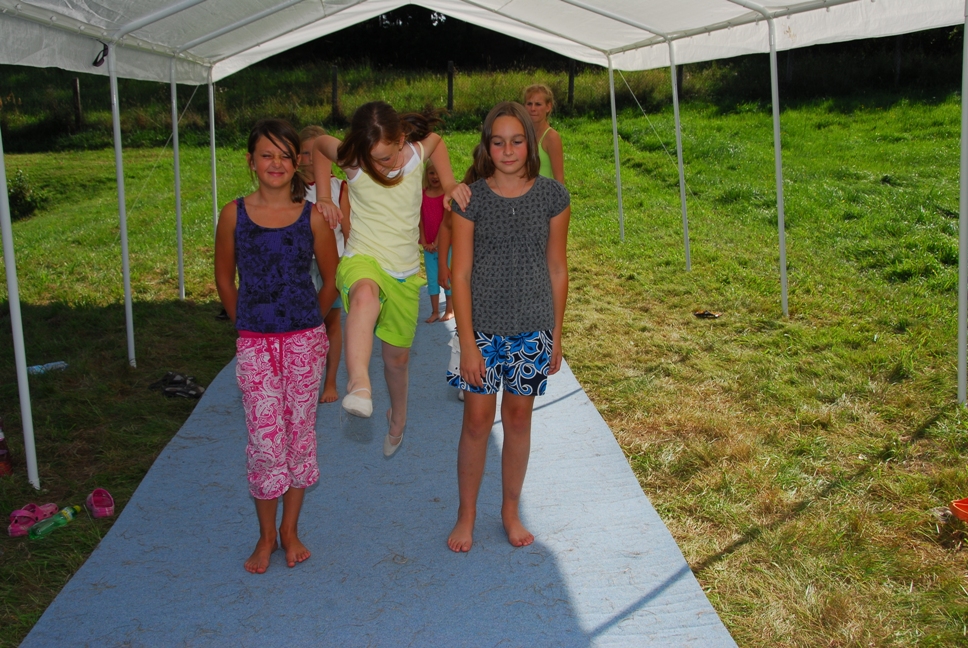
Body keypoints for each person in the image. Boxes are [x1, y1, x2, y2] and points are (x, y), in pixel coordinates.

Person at [215, 119, 339, 574]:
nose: (276, 163)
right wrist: (245, 324)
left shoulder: (312, 217)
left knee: (299, 437)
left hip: (305, 341)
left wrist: (310, 321)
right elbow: (224, 279)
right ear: (251, 161)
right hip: (255, 344)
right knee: (266, 443)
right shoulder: (233, 215)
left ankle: (290, 530)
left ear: (297, 163)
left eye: (286, 155)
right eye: (266, 155)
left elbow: (332, 280)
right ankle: (265, 535)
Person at [312, 101, 470, 457]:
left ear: (401, 140)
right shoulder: (354, 160)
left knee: (396, 360)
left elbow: (436, 141)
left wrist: (448, 183)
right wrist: (324, 195)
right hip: (363, 257)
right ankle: (359, 385)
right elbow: (319, 145)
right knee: (364, 297)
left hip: (403, 273)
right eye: (373, 159)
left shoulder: (415, 154)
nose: (379, 166)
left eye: (385, 158)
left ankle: (398, 416)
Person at [446, 102, 570, 552]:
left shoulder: (554, 197)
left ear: (531, 143)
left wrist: (555, 335)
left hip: (533, 327)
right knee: (477, 421)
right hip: (481, 330)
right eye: (498, 142)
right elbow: (460, 274)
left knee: (518, 418)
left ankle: (510, 511)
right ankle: (466, 514)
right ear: (487, 147)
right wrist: (467, 342)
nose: (508, 150)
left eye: (517, 140)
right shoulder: (469, 200)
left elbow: (557, 267)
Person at [299, 125, 351, 404]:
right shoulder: (291, 188)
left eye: (316, 153)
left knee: (331, 323)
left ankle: (330, 381)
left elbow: (348, 228)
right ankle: (303, 375)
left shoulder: (339, 186)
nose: (310, 159)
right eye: (305, 153)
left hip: (334, 262)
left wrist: (349, 261)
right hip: (302, 265)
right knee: (304, 324)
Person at [419, 160, 454, 323]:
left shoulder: (446, 196)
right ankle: (434, 311)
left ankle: (449, 309)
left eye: (438, 173)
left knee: (447, 276)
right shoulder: (422, 195)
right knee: (432, 278)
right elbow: (420, 220)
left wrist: (437, 242)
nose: (435, 176)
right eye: (431, 173)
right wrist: (425, 241)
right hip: (429, 247)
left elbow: (445, 223)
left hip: (446, 245)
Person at [523, 84, 565, 184]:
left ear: (548, 107)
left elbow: (559, 180)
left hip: (544, 193)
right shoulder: (520, 134)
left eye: (538, 104)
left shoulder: (551, 137)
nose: (533, 108)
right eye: (529, 104)